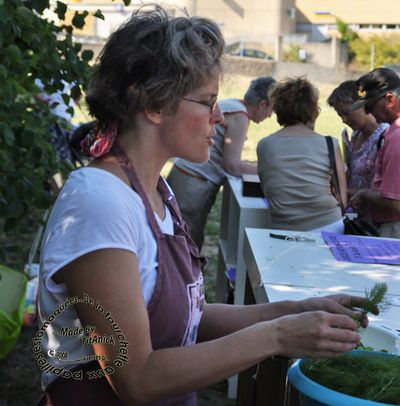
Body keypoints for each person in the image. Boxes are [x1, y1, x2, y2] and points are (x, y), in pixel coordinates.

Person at [37, 7, 375, 405]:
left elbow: (189, 321)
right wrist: (278, 335)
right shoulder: (101, 203)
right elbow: (137, 378)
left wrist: (292, 310)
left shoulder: (157, 190)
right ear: (154, 105)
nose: (219, 117)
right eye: (208, 101)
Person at [167, 76, 276, 250]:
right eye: (272, 109)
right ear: (262, 104)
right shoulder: (240, 117)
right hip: (194, 184)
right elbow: (232, 166)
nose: (270, 116)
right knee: (188, 242)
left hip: (183, 175)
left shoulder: (232, 105)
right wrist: (268, 171)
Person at [257, 77, 347, 232]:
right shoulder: (329, 144)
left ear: (277, 108)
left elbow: (270, 189)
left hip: (283, 229)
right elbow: (342, 199)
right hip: (329, 226)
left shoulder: (265, 145)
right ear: (313, 109)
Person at [350, 67, 400, 238]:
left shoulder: (397, 137)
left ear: (390, 99)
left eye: (370, 106)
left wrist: (364, 195)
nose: (367, 112)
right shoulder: (392, 132)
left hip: (394, 227)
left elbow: (394, 203)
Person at [327, 80, 389, 200]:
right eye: (340, 115)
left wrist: (342, 190)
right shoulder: (355, 135)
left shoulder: (385, 137)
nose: (344, 120)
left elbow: (388, 191)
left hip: (376, 215)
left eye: (346, 113)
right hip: (356, 213)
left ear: (362, 104)